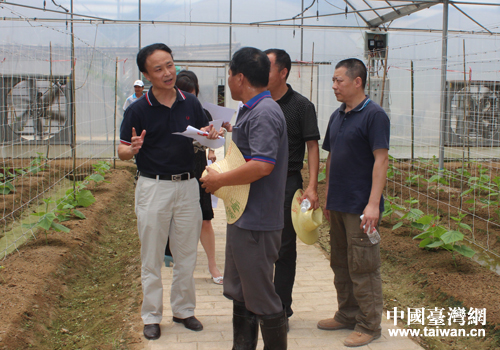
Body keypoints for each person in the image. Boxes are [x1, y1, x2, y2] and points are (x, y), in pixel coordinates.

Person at [118, 43, 219, 341]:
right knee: (151, 255)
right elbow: (123, 149)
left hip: (188, 186)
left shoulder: (191, 103)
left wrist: (212, 135)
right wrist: (131, 149)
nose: (167, 73)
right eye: (159, 68)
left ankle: (184, 310)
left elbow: (204, 135)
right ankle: (151, 315)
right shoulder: (137, 109)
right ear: (147, 74)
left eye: (170, 65)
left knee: (186, 253)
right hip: (153, 186)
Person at [200, 47, 289, 350]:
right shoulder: (251, 109)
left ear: (239, 77)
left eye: (229, 75)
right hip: (244, 216)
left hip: (258, 221)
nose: (228, 80)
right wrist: (228, 131)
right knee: (241, 289)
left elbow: (263, 165)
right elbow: (249, 153)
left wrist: (218, 180)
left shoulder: (264, 112)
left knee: (261, 294)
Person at [319, 58, 390, 348]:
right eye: (334, 81)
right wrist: (326, 196)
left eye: (339, 80)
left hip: (361, 207)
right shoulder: (338, 115)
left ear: (357, 81)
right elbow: (331, 157)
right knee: (340, 262)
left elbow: (381, 160)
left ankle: (369, 324)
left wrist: (373, 205)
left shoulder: (375, 115)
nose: (334, 86)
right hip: (338, 203)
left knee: (363, 266)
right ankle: (347, 314)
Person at [264, 48, 320, 328]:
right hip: (259, 182)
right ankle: (262, 302)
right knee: (262, 245)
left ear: (283, 72)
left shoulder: (301, 106)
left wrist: (311, 186)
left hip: (287, 183)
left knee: (285, 248)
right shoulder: (258, 102)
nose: (262, 73)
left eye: (268, 68)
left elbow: (312, 146)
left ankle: (281, 308)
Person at [171, 69, 224, 285]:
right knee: (178, 221)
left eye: (192, 93)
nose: (188, 98)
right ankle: (180, 265)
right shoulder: (169, 113)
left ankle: (212, 264)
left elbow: (212, 140)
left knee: (205, 219)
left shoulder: (201, 112)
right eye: (184, 93)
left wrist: (213, 136)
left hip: (198, 168)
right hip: (176, 169)